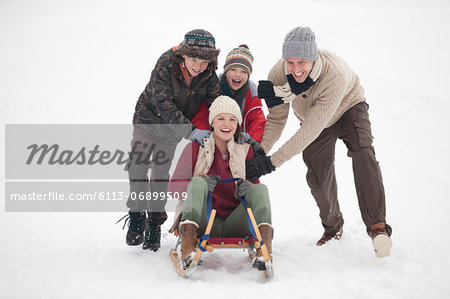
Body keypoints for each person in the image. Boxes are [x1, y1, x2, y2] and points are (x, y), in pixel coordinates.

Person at [247, 26, 392, 258]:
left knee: (363, 152)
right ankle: (333, 226)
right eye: (291, 62)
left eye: (302, 62)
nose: (296, 69)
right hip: (311, 116)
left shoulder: (334, 75)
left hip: (348, 107)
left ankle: (377, 227)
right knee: (317, 169)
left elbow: (312, 129)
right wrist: (260, 153)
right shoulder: (279, 73)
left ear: (313, 58)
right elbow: (277, 118)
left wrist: (274, 162)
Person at [124, 29, 221, 252]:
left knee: (160, 174)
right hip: (148, 120)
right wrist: (190, 131)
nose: (198, 66)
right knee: (138, 166)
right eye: (194, 59)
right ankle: (137, 214)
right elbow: (163, 103)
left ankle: (155, 224)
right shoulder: (166, 64)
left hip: (172, 132)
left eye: (204, 61)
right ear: (184, 55)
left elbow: (216, 101)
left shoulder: (208, 74)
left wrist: (223, 126)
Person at [168, 95, 273, 269]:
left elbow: (256, 194)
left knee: (261, 189)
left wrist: (248, 187)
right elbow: (173, 188)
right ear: (212, 122)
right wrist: (200, 185)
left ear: (238, 124)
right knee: (197, 182)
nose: (227, 124)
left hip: (236, 222)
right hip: (201, 221)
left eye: (232, 119)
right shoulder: (194, 148)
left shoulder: (246, 150)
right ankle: (187, 250)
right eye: (221, 119)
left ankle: (265, 252)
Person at [190, 44, 266, 144]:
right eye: (233, 70)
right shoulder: (213, 87)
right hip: (213, 138)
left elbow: (257, 122)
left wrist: (250, 141)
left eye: (243, 72)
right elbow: (203, 113)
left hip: (238, 143)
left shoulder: (252, 95)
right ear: (226, 72)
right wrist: (203, 133)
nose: (238, 75)